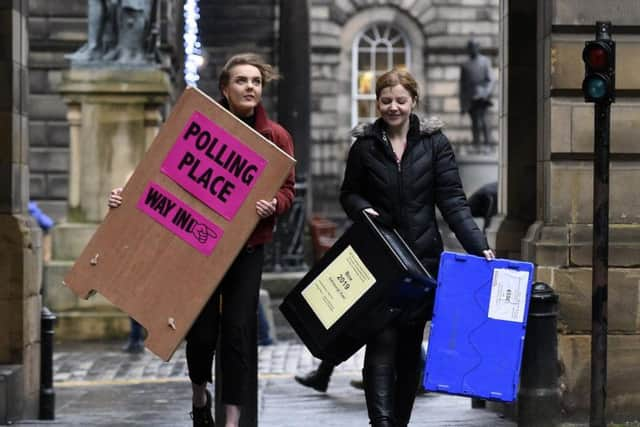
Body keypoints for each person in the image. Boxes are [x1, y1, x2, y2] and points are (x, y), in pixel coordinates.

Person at [108, 53, 295, 427]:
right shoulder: (200, 128)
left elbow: (288, 190)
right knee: (203, 330)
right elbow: (162, 173)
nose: (250, 88)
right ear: (225, 89)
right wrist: (125, 196)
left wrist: (273, 203)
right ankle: (199, 397)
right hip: (199, 246)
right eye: (241, 81)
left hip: (247, 249)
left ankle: (230, 419)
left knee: (239, 333)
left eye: (256, 82)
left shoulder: (276, 137)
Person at [340, 68, 494, 427]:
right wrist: (362, 208)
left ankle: (399, 422)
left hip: (421, 261)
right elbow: (349, 193)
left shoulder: (434, 143)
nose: (393, 107)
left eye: (400, 100)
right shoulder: (364, 147)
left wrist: (478, 246)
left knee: (409, 348)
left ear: (413, 102)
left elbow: (453, 200)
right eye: (386, 100)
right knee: (380, 340)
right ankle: (380, 423)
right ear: (377, 102)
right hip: (379, 258)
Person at [459, 39, 494, 147]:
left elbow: (491, 80)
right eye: (470, 47)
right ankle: (477, 144)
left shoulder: (485, 61)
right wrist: (463, 104)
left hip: (482, 96)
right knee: (474, 122)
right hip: (470, 96)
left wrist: (485, 93)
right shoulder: (465, 64)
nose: (472, 49)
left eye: (474, 47)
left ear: (478, 48)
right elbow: (462, 85)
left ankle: (488, 144)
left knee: (484, 121)